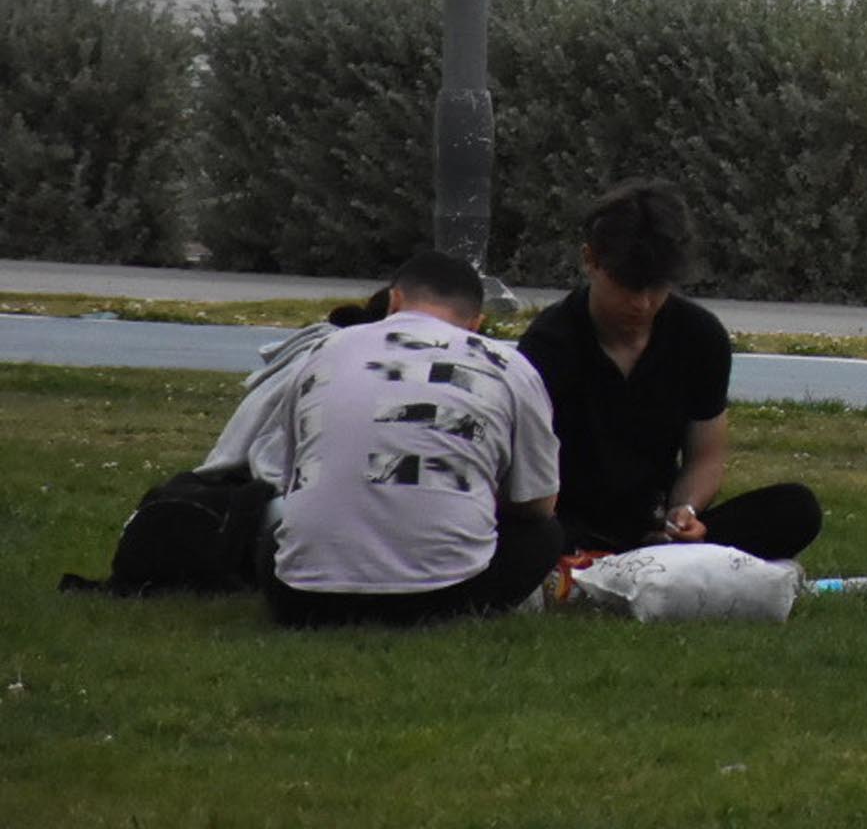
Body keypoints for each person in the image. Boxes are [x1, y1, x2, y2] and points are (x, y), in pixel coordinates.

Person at [515, 180, 823, 559]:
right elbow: (524, 470)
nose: (642, 304)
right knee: (524, 534)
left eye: (656, 287)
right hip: (567, 520)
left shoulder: (700, 336)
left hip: (658, 523)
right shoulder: (548, 344)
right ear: (591, 261)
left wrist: (687, 511)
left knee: (796, 508)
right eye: (627, 286)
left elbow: (706, 456)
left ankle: (664, 553)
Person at [264, 248, 562, 627]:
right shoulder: (507, 365)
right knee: (545, 535)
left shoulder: (323, 351)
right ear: (477, 323)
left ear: (395, 299)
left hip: (302, 599)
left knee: (278, 525)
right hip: (445, 595)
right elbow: (538, 504)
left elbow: (290, 479)